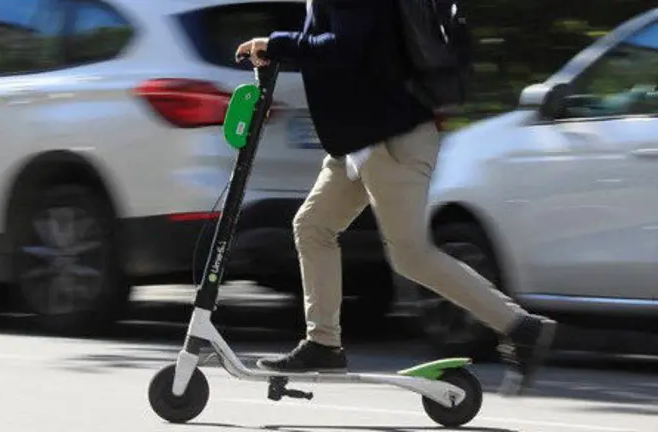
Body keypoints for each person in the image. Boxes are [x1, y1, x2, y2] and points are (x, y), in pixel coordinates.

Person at [235, 0, 558, 395]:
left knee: (410, 255)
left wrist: (279, 44)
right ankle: (322, 344)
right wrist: (281, 50)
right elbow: (346, 51)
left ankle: (520, 327)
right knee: (313, 226)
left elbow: (344, 47)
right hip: (362, 140)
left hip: (392, 141)